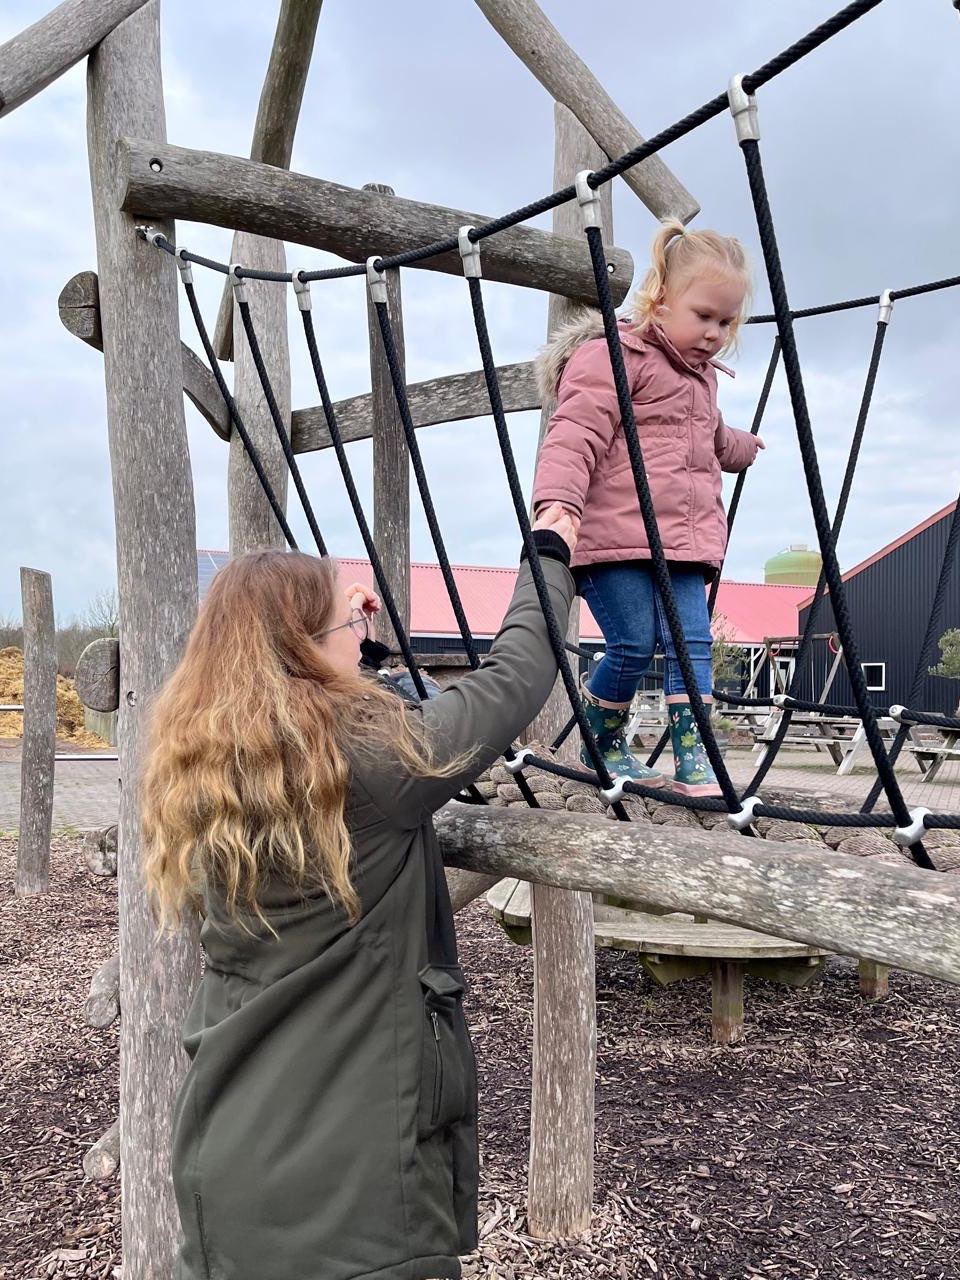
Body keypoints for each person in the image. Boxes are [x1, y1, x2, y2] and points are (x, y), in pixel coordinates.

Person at [140, 503, 577, 1280]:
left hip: (229, 1170)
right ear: (308, 653)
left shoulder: (208, 772)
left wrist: (352, 645)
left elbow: (329, 722)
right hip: (354, 1207)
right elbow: (515, 678)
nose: (357, 625)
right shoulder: (371, 763)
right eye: (343, 621)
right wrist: (551, 543)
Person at [532, 218, 763, 796]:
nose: (714, 332)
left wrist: (744, 447)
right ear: (660, 300)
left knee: (692, 643)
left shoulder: (702, 380)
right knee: (632, 643)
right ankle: (601, 743)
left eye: (725, 321)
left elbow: (710, 437)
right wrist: (557, 502)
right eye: (703, 315)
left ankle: (697, 759)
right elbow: (574, 432)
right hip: (613, 541)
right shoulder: (614, 356)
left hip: (684, 543)